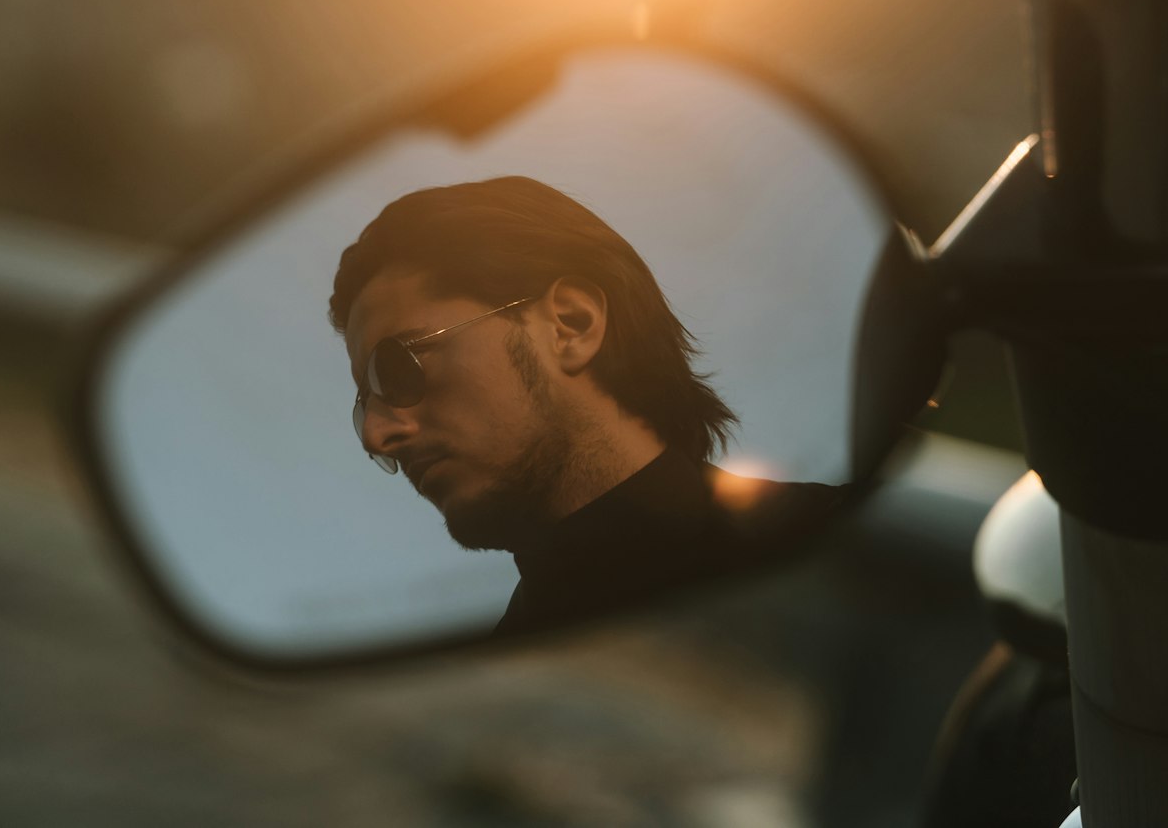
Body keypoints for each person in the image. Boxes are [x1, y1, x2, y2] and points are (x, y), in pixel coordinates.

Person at [329, 175, 843, 636]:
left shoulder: (846, 550)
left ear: (570, 325)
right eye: (364, 401)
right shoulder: (505, 673)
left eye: (397, 368)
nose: (377, 434)